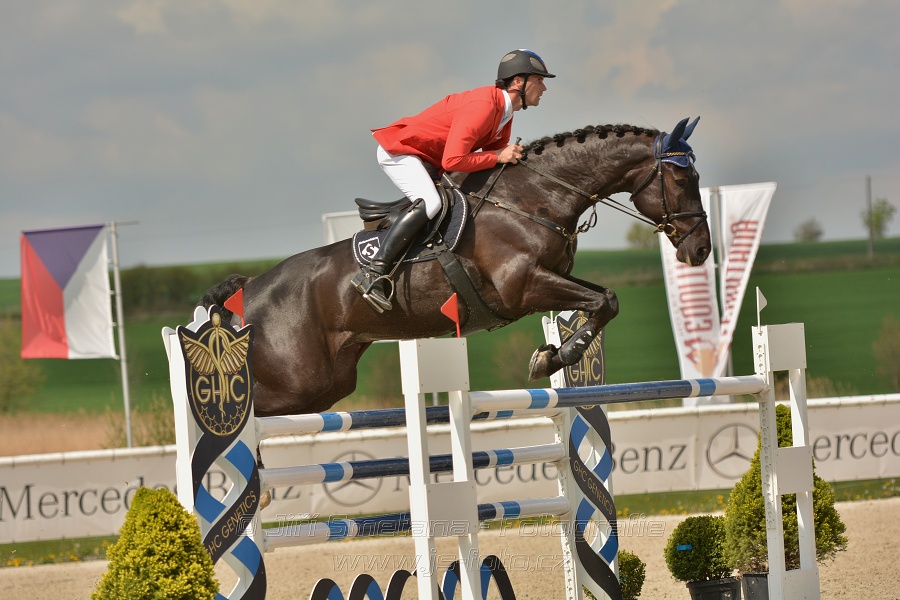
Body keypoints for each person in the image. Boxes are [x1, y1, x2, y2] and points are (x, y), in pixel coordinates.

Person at [352, 49, 555, 312]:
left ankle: (393, 218)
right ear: (519, 82)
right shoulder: (484, 107)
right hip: (401, 152)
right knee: (432, 203)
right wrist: (498, 155)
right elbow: (454, 161)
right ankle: (373, 275)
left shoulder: (504, 114)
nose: (544, 88)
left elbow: (491, 161)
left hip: (428, 159)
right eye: (539, 80)